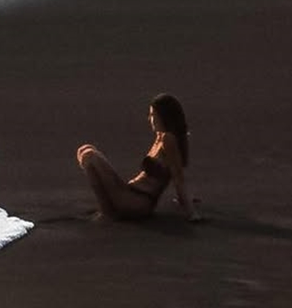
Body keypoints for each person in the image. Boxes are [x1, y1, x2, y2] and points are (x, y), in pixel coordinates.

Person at [76, 93, 202, 221]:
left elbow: (178, 176)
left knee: (89, 155)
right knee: (85, 149)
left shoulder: (168, 139)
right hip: (130, 193)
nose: (150, 119)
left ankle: (107, 212)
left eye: (153, 115)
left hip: (138, 201)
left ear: (164, 117)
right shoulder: (160, 136)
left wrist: (191, 213)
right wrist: (183, 199)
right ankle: (107, 210)